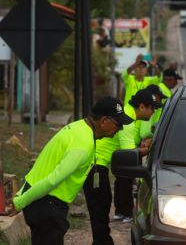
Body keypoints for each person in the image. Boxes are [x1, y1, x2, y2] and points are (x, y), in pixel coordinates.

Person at [10, 97, 133, 245]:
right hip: (47, 205)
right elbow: (52, 180)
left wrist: (22, 193)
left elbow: (42, 164)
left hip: (39, 199)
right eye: (118, 124)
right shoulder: (83, 146)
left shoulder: (78, 127)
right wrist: (19, 202)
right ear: (104, 121)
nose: (120, 129)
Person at [113, 89, 161, 224]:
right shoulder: (127, 120)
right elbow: (129, 157)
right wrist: (152, 146)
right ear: (141, 106)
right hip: (99, 163)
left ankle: (120, 211)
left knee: (121, 180)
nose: (153, 112)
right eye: (152, 108)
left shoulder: (128, 113)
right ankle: (127, 213)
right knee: (127, 178)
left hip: (107, 160)